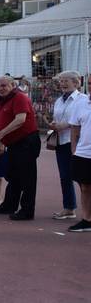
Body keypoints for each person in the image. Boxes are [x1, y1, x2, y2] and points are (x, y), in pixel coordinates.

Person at [0, 76, 40, 221]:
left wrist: (1, 134)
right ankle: (9, 205)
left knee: (27, 178)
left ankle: (27, 210)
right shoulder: (2, 101)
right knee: (13, 175)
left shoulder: (20, 97)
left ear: (12, 85)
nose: (1, 88)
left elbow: (20, 120)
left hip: (26, 141)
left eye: (4, 85)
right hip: (14, 143)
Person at [47, 71, 87, 220]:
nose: (62, 83)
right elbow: (57, 117)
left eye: (66, 81)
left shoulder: (83, 99)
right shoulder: (59, 100)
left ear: (76, 83)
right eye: (61, 81)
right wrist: (53, 124)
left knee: (83, 178)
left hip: (78, 142)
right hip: (61, 142)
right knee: (65, 176)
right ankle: (69, 208)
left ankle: (87, 211)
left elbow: (82, 120)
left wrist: (64, 125)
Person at [68, 75, 91, 232]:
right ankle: (87, 219)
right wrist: (74, 150)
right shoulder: (81, 103)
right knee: (85, 187)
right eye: (90, 83)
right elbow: (75, 128)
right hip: (83, 153)